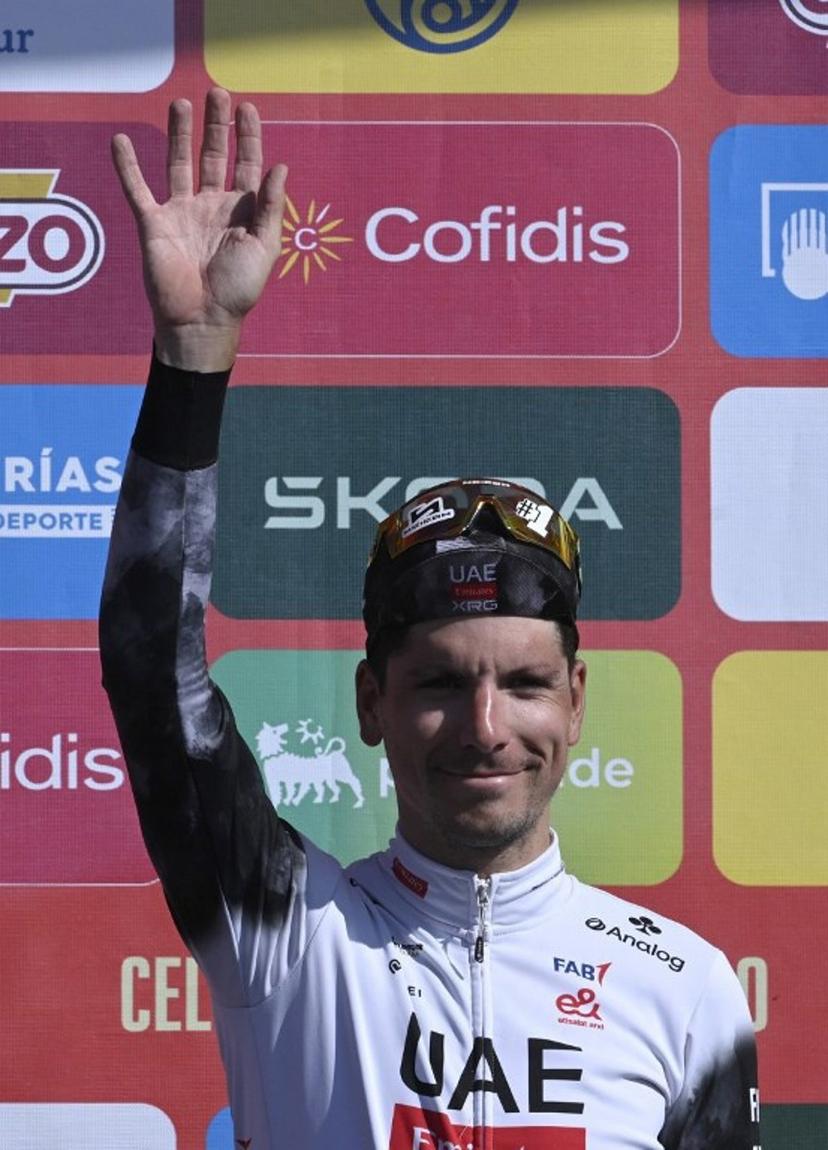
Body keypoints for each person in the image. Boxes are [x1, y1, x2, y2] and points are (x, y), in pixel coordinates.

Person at [100, 89, 762, 1150]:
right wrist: (194, 353)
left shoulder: (685, 990)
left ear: (577, 701)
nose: (487, 727)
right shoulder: (288, 932)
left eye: (526, 683)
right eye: (442, 682)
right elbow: (150, 674)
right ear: (372, 702)